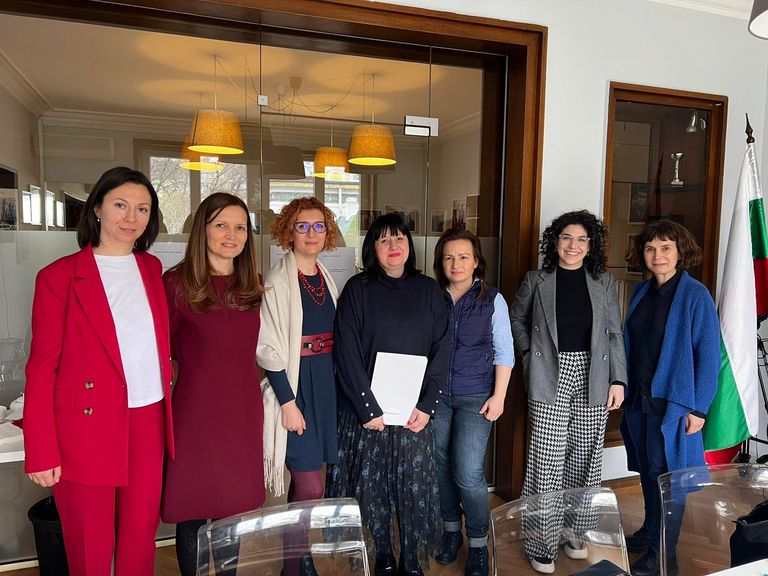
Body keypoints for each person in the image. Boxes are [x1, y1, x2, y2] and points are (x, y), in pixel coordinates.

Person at [23, 166, 174, 575]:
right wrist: (41, 449)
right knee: (90, 546)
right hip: (85, 427)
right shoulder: (58, 277)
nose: (131, 217)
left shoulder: (151, 269)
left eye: (143, 209)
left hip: (148, 419)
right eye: (121, 205)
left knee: (140, 540)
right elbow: (42, 369)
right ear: (97, 210)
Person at [326, 212, 450, 576]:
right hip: (367, 414)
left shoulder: (429, 290)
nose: (393, 245)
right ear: (373, 249)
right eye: (384, 240)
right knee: (372, 489)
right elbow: (346, 352)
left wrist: (427, 405)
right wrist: (368, 408)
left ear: (409, 245)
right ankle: (382, 555)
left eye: (399, 238)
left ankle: (411, 558)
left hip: (414, 413)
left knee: (413, 489)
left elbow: (443, 349)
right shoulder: (357, 289)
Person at [510, 209, 627, 574]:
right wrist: (529, 354)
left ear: (590, 246)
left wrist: (618, 380)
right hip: (550, 372)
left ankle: (576, 533)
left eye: (581, 239)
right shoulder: (537, 280)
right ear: (555, 242)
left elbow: (614, 333)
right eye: (566, 238)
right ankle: (541, 543)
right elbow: (516, 318)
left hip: (594, 373)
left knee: (585, 458)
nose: (573, 246)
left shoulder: (603, 282)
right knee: (546, 459)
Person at [161, 193, 264, 576]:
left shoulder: (253, 284)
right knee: (192, 505)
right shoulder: (175, 284)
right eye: (221, 225)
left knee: (232, 508)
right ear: (202, 230)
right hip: (195, 411)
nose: (231, 235)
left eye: (240, 227)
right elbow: (161, 350)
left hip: (242, 409)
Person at [621, 220, 719, 576]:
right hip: (640, 397)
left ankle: (665, 555)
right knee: (648, 470)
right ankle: (651, 530)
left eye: (666, 248)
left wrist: (699, 408)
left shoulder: (695, 295)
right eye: (650, 248)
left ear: (680, 253)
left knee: (670, 476)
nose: (657, 255)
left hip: (673, 403)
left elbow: (709, 355)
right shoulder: (641, 291)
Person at [257, 197, 342, 576]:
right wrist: (287, 402)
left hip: (325, 385)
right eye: (302, 226)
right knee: (310, 486)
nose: (311, 233)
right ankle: (295, 564)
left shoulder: (324, 275)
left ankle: (297, 556)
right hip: (295, 386)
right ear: (288, 231)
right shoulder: (277, 279)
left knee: (309, 484)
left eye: (318, 226)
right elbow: (268, 347)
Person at [432, 229, 514, 576]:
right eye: (449, 257)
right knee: (440, 467)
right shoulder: (432, 297)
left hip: (476, 397)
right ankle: (451, 531)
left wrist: (499, 396)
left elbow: (505, 350)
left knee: (467, 472)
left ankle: (478, 543)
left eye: (464, 257)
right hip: (435, 397)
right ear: (441, 263)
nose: (456, 264)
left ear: (476, 262)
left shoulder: (492, 299)